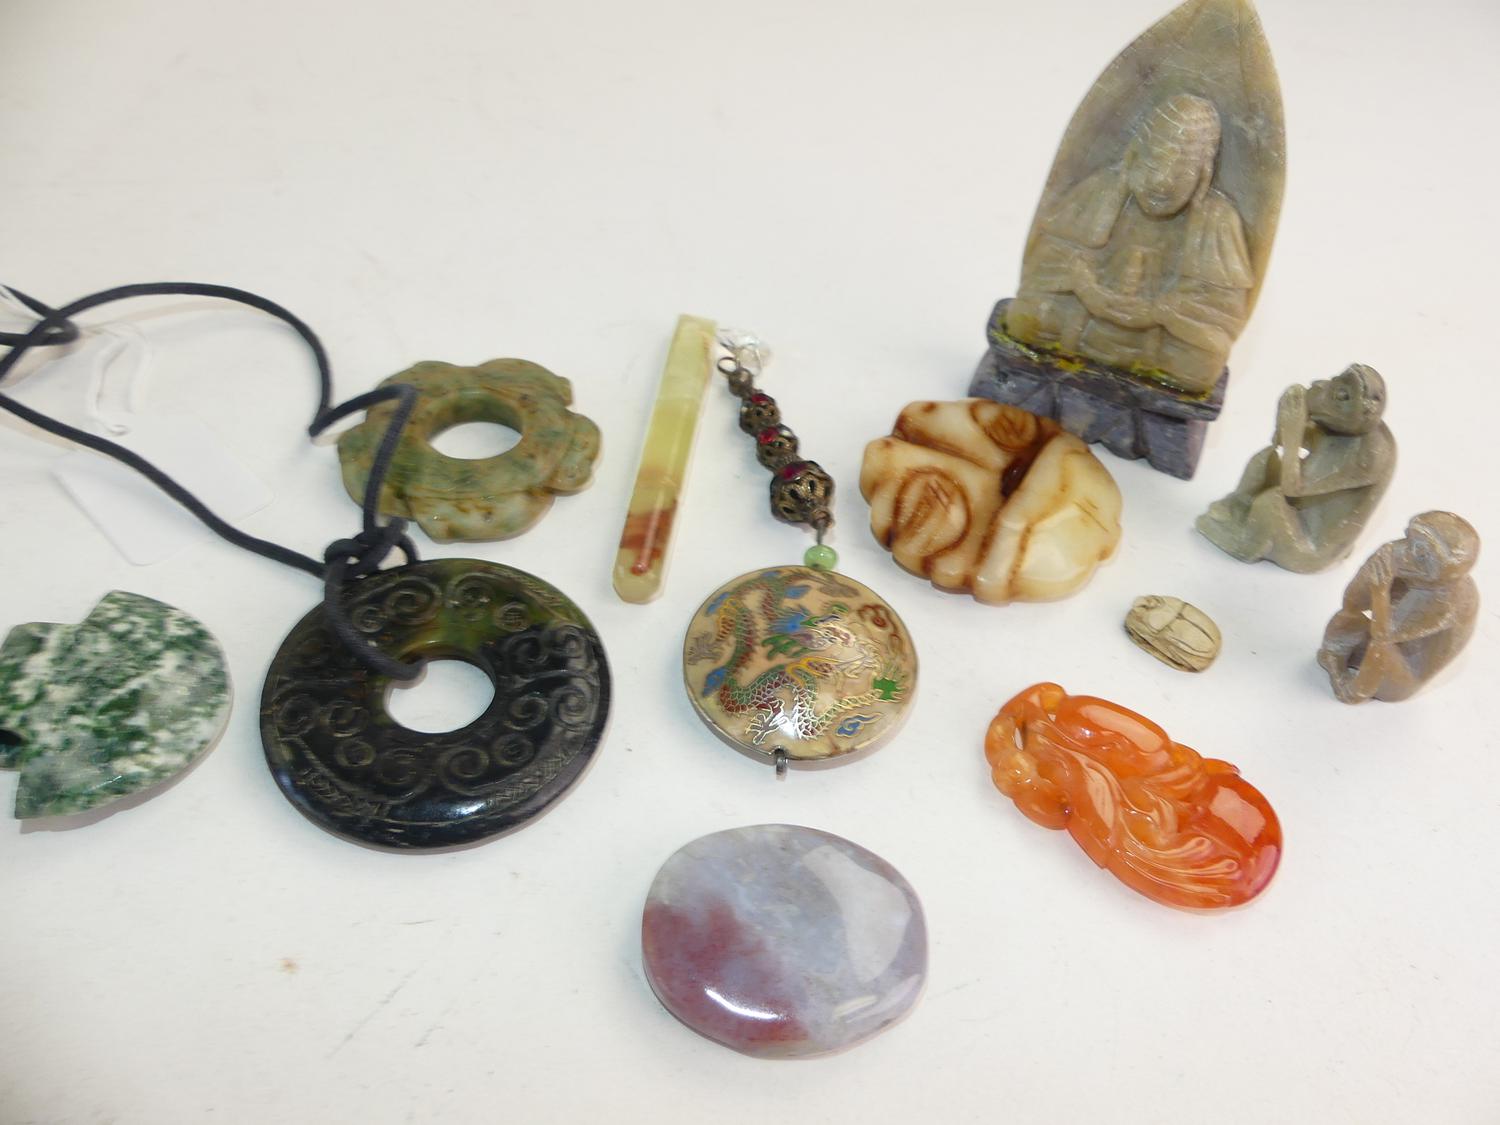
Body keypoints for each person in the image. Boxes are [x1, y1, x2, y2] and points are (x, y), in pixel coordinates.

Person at [1007, 93, 1253, 394]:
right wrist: (1085, 286)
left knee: (1202, 363)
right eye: (1153, 163)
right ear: (1133, 156)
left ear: (1204, 174)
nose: (1162, 182)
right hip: (1084, 316)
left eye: (1180, 171)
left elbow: (1221, 312)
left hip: (1158, 336)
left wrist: (1159, 310)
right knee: (1027, 316)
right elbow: (1046, 262)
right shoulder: (1100, 190)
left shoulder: (1216, 220)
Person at [1196, 365, 1396, 572]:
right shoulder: (1342, 427)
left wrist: (1293, 431)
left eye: (1340, 395)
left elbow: (1292, 488)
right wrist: (1286, 420)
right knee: (1266, 459)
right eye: (1334, 381)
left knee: (1270, 503)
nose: (1319, 384)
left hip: (1308, 548)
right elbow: (1283, 443)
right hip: (1305, 508)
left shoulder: (1368, 457)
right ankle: (1239, 505)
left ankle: (1246, 543)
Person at [1318, 513, 1480, 703]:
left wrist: (1380, 591)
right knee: (1348, 617)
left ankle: (1353, 693)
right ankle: (1333, 656)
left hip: (1404, 675)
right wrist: (1372, 569)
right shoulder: (1407, 562)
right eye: (1411, 540)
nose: (1406, 554)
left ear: (1443, 572)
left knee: (1380, 649)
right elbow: (1352, 603)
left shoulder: (1446, 602)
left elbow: (1383, 636)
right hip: (1387, 637)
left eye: (1423, 555)